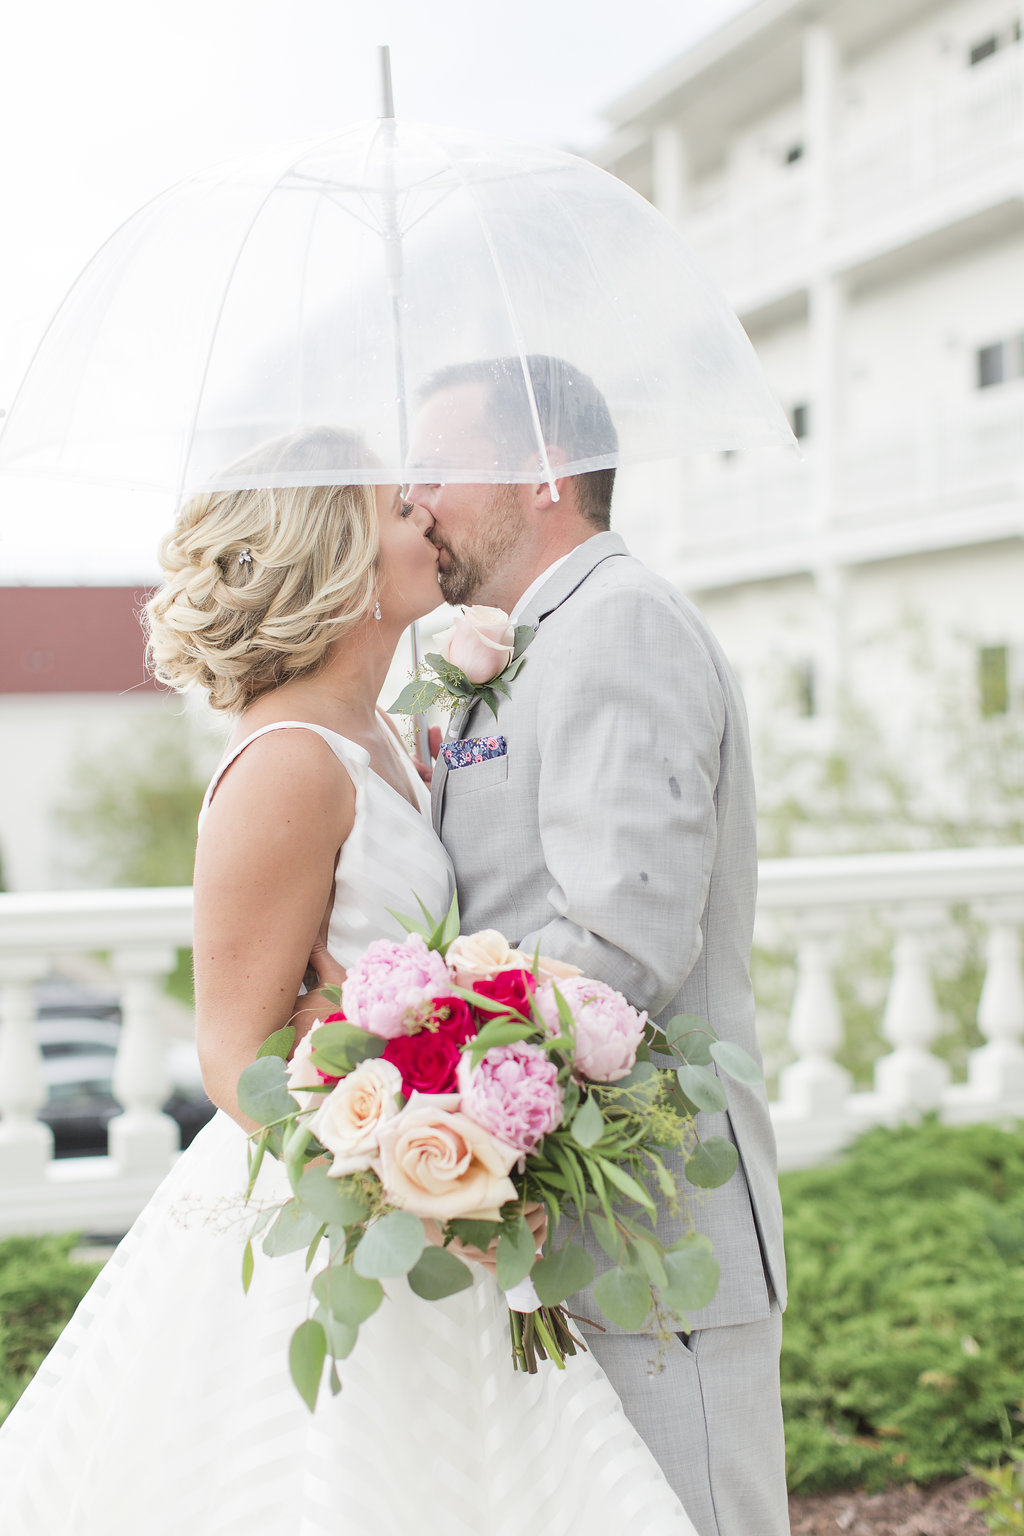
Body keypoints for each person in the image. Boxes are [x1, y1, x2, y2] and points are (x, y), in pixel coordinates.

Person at [0, 428, 697, 1536]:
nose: (422, 515)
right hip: (351, 1204)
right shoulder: (283, 764)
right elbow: (233, 1052)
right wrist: (393, 1163)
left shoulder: (381, 729)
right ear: (334, 557)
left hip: (439, 1191)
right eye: (392, 507)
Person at [405, 357, 791, 1536]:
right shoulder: (520, 642)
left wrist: (422, 1079)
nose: (413, 499)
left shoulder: (619, 625)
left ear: (542, 477)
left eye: (436, 467)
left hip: (651, 1231)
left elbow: (622, 941)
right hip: (551, 1220)